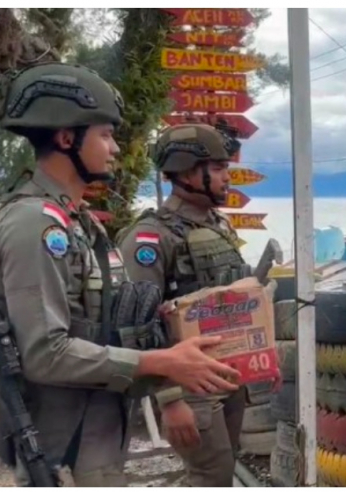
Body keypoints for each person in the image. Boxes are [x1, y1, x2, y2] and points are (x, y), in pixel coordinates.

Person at [0, 62, 241, 487]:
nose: (115, 147)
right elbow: (45, 353)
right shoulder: (35, 225)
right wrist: (160, 363)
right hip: (62, 446)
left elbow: (104, 319)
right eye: (105, 134)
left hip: (96, 433)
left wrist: (167, 319)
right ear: (67, 138)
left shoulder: (79, 222)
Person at [117, 123, 253, 486]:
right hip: (188, 386)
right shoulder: (150, 238)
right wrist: (170, 399)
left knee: (224, 470)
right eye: (220, 168)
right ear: (189, 171)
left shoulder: (217, 225)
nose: (228, 177)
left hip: (227, 375)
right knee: (211, 474)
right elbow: (137, 328)